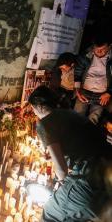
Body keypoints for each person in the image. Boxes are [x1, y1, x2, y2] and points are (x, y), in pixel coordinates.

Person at [28, 86, 111, 221]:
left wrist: (62, 184)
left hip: (90, 180)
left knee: (49, 214)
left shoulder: (45, 124)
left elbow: (61, 171)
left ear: (37, 107)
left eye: (32, 108)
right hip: (107, 171)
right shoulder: (69, 113)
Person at [74, 33, 112, 124]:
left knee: (93, 119)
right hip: (84, 92)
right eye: (96, 49)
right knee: (76, 117)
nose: (99, 52)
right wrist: (77, 90)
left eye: (102, 49)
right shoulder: (85, 55)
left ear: (110, 47)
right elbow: (78, 72)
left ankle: (88, 137)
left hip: (102, 96)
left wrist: (109, 93)